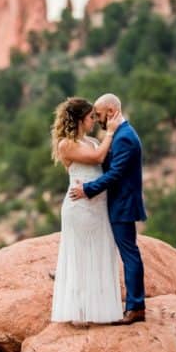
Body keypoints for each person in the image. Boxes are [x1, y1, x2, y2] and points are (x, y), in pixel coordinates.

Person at [69, 93, 147, 325]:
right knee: (125, 252)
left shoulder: (124, 138)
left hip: (122, 204)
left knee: (129, 255)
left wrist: (88, 189)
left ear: (111, 112)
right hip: (117, 202)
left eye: (100, 115)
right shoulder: (122, 134)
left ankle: (135, 307)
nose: (98, 119)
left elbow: (115, 174)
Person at [49, 97, 123, 324]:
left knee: (100, 252)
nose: (94, 120)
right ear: (80, 119)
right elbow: (98, 157)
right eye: (91, 117)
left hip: (98, 207)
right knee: (81, 255)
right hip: (79, 207)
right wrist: (110, 132)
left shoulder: (91, 140)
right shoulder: (66, 144)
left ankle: (100, 310)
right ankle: (80, 311)